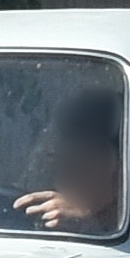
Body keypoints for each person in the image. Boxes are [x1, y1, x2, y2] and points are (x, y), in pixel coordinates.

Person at [15, 87, 123, 233]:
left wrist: (92, 229)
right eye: (64, 163)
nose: (67, 178)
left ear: (123, 172)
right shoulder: (43, 218)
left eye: (85, 163)